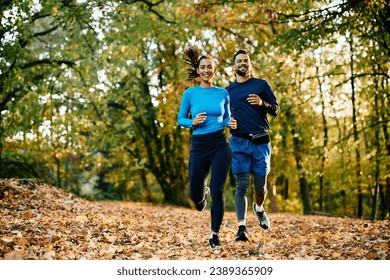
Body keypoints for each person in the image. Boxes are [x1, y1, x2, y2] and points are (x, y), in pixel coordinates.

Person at [177, 48, 237, 249]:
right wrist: (192, 122)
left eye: (209, 67)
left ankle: (214, 235)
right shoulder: (190, 93)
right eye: (202, 67)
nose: (206, 70)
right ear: (197, 70)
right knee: (195, 194)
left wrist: (230, 123)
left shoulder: (223, 93)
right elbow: (180, 119)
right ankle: (202, 195)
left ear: (214, 70)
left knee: (219, 191)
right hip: (199, 145)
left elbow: (226, 116)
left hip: (220, 143)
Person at [226, 49, 280, 242]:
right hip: (239, 142)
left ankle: (259, 208)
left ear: (250, 64)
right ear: (234, 66)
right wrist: (227, 122)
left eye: (245, 61)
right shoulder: (228, 91)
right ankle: (241, 228)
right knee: (241, 187)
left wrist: (262, 103)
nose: (242, 63)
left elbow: (276, 109)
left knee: (260, 188)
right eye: (239, 61)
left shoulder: (261, 85)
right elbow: (222, 116)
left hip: (261, 142)